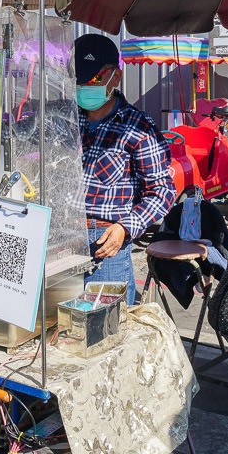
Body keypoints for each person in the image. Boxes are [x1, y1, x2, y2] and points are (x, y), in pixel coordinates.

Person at [75, 33, 176, 305]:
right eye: (78, 80)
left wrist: (125, 228)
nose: (85, 86)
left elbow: (163, 191)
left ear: (115, 78)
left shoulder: (138, 128)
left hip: (106, 243)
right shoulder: (65, 118)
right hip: (62, 238)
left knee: (105, 334)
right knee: (60, 332)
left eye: (94, 80)